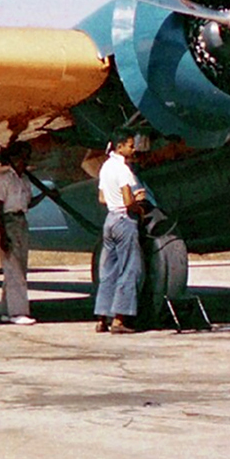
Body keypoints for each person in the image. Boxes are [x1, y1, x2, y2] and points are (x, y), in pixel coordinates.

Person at [94, 129, 147, 334]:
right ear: (120, 146)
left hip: (110, 220)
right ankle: (119, 319)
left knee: (108, 271)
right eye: (131, 145)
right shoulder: (123, 169)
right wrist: (139, 206)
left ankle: (102, 317)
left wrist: (115, 201)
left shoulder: (105, 167)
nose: (133, 149)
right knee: (129, 269)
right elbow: (127, 200)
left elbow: (101, 198)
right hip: (124, 219)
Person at [0, 144, 41, 326]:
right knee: (14, 270)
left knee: (19, 267)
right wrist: (2, 234)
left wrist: (45, 195)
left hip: (21, 221)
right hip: (8, 222)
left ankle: (6, 310)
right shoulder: (3, 179)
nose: (25, 160)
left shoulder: (24, 181)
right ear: (13, 158)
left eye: (27, 157)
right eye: (22, 157)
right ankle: (18, 312)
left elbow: (28, 203)